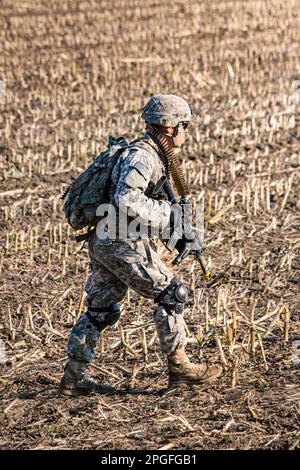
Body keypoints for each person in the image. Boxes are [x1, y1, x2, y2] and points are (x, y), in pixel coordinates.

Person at [59, 94, 222, 396]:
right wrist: (170, 215)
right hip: (121, 241)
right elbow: (126, 200)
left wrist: (175, 227)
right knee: (173, 293)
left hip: (106, 240)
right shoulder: (143, 156)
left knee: (101, 310)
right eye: (185, 126)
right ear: (172, 128)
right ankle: (181, 369)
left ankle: (74, 377)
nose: (187, 132)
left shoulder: (151, 153)